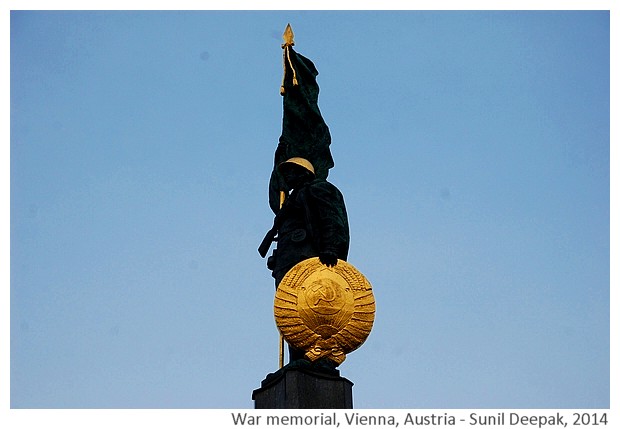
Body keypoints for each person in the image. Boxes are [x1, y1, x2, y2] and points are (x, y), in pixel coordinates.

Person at [260, 157, 350, 364]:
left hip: (308, 259)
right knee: (290, 311)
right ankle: (297, 359)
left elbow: (330, 219)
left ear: (303, 172)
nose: (288, 177)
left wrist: (330, 247)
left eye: (291, 172)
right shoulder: (292, 198)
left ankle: (320, 356)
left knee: (313, 308)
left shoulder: (318, 189)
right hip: (288, 261)